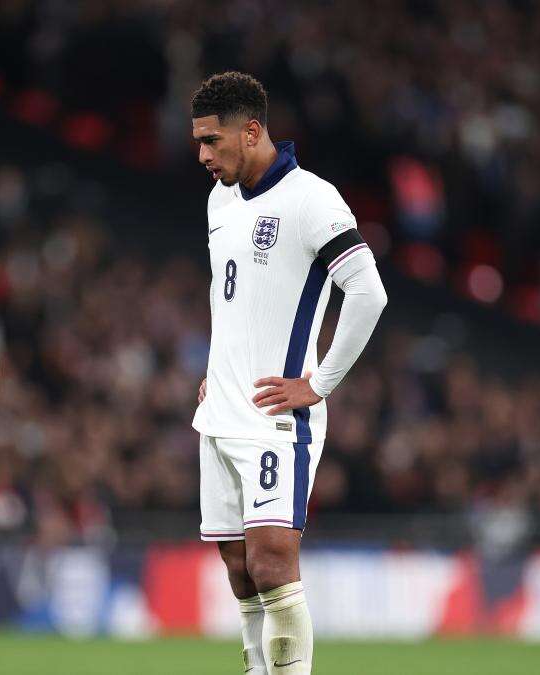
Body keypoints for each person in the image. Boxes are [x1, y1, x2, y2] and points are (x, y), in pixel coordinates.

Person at [190, 72, 387, 674]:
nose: (201, 155)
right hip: (218, 411)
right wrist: (214, 368)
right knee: (240, 570)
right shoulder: (219, 200)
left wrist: (319, 383)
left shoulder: (313, 199)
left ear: (251, 133)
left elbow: (368, 294)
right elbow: (235, 301)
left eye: (212, 141)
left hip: (276, 417)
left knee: (273, 561)